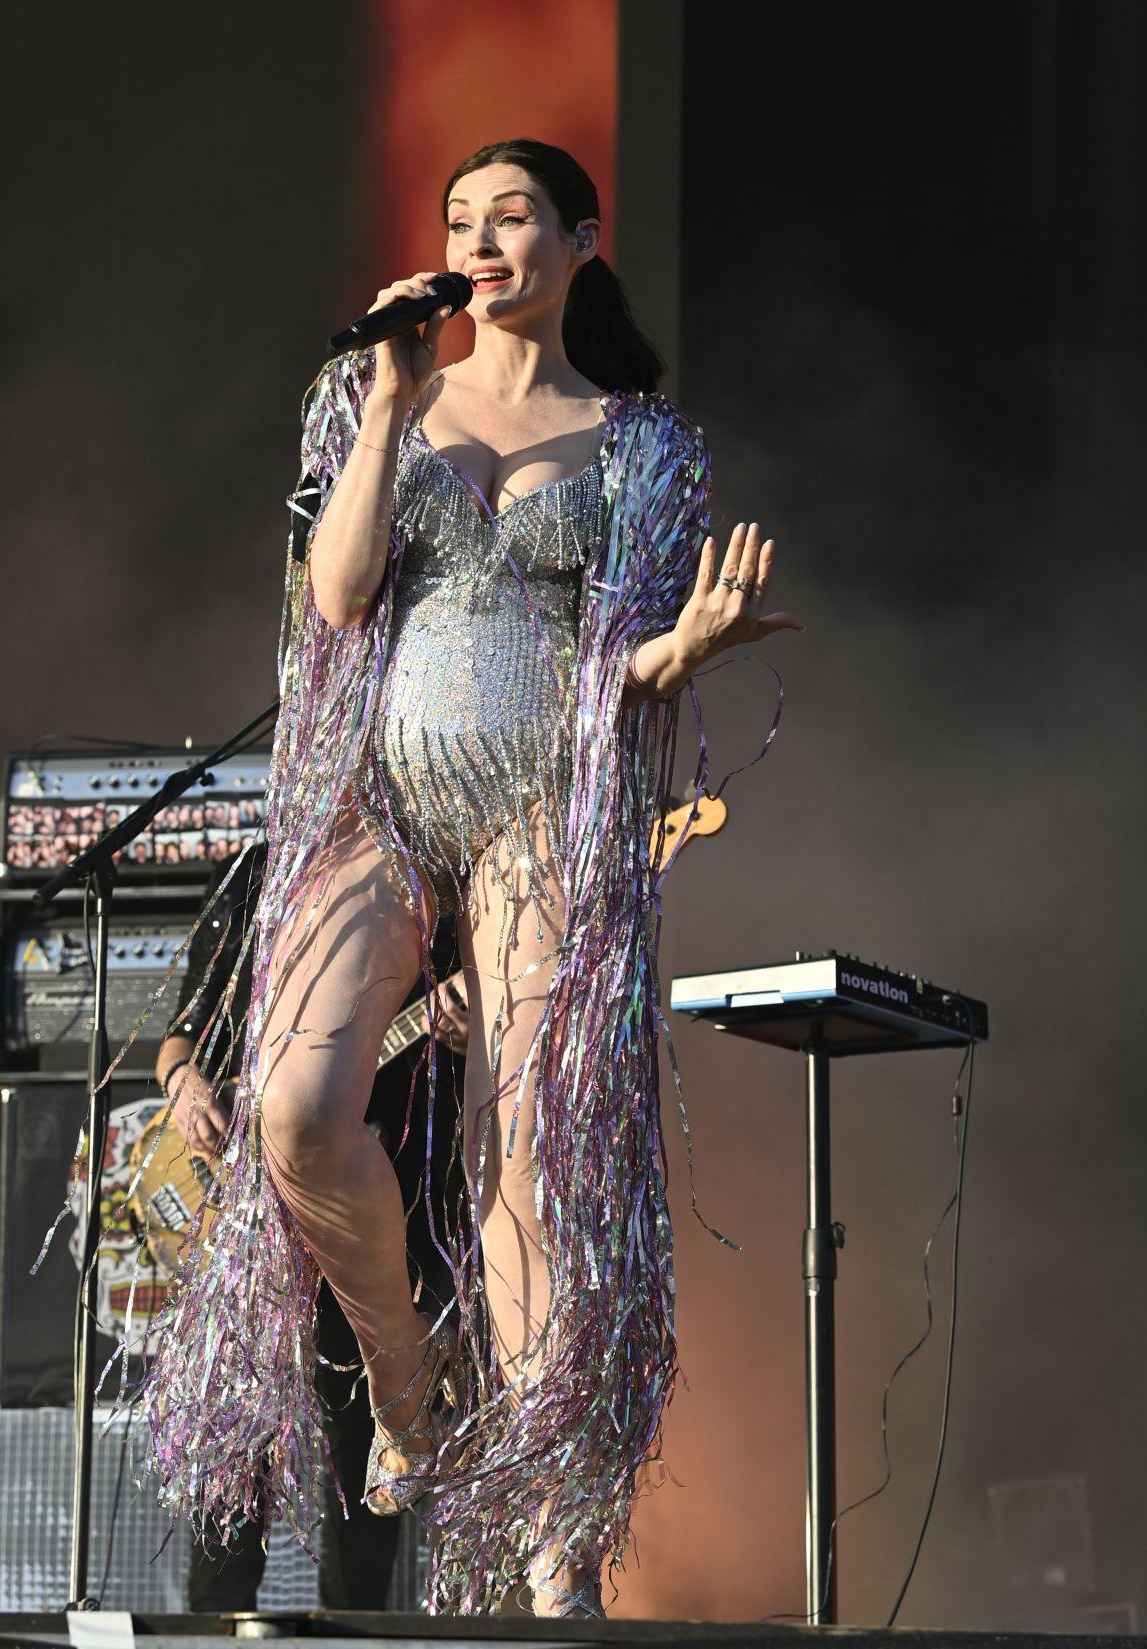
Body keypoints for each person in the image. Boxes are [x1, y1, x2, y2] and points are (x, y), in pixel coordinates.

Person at [112, 136, 802, 1619]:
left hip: (542, 803)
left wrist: (685, 651)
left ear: (580, 240)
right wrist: (381, 407)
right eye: (460, 221)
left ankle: (558, 1561)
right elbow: (345, 591)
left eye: (513, 216)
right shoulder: (384, 398)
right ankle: (412, 1396)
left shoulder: (637, 440)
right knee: (297, 1109)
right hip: (382, 798)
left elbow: (630, 662)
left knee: (529, 1175)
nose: (483, 240)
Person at [153, 840, 470, 1611]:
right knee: (234, 1421)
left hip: (366, 1194)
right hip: (243, 1200)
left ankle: (356, 1621)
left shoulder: (428, 880)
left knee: (365, 1412)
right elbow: (178, 1035)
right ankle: (215, 1619)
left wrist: (471, 1023)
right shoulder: (259, 870)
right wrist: (183, 1082)